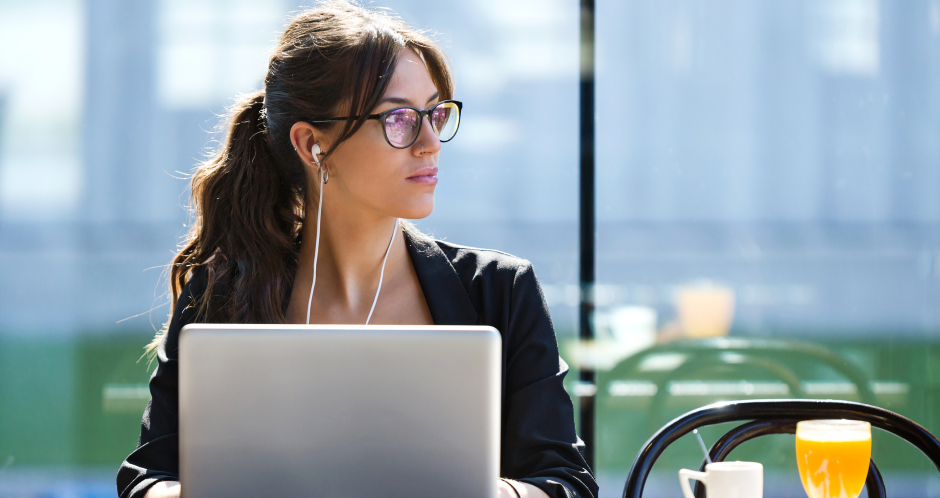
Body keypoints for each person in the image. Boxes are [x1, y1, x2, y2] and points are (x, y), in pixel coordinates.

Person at [116, 2, 598, 498]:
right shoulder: (222, 294)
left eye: (434, 113)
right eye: (400, 120)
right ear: (312, 145)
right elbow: (145, 480)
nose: (431, 141)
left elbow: (568, 484)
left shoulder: (500, 291)